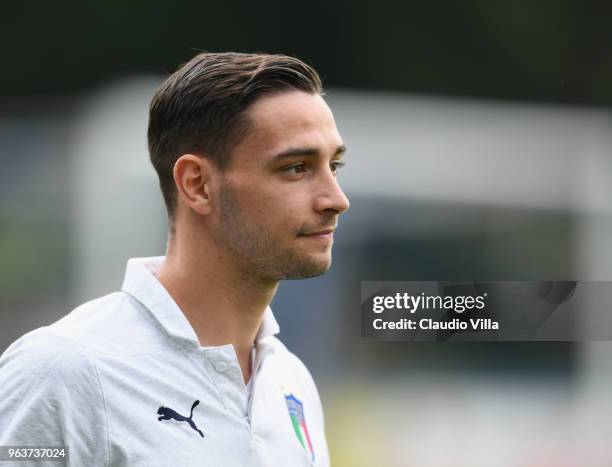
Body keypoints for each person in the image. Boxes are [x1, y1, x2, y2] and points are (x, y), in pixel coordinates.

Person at [0, 52, 349, 466]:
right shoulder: (64, 370)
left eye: (335, 165)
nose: (336, 200)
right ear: (197, 184)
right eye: (295, 168)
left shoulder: (290, 382)